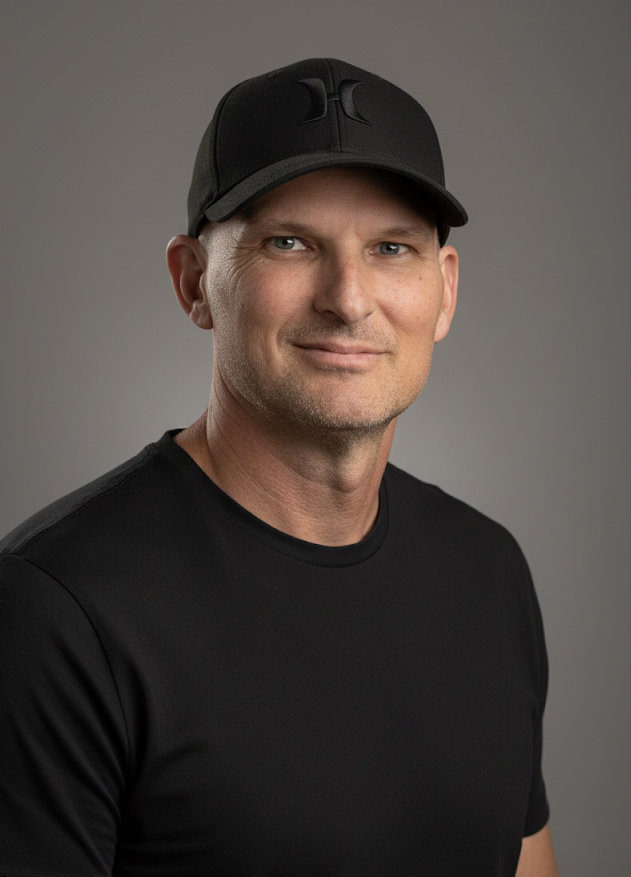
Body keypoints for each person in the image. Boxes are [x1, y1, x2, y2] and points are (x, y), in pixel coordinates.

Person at [0, 58, 559, 876]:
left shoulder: (488, 569)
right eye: (289, 242)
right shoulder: (56, 611)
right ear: (194, 282)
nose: (347, 297)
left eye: (390, 247)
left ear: (442, 292)